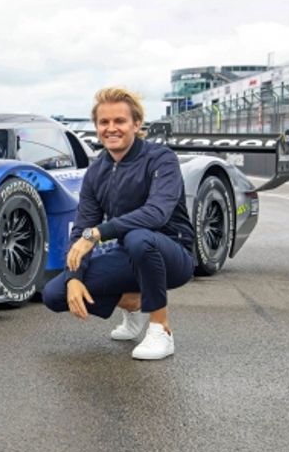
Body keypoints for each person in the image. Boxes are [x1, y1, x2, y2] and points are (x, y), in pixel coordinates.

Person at [41, 87, 195, 360]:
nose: (111, 128)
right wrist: (74, 277)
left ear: (136, 124)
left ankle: (161, 329)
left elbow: (156, 213)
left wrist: (98, 233)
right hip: (130, 255)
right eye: (104, 122)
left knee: (138, 237)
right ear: (97, 127)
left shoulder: (161, 159)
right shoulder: (96, 171)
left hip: (173, 253)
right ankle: (133, 304)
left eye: (120, 121)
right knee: (55, 293)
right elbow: (81, 230)